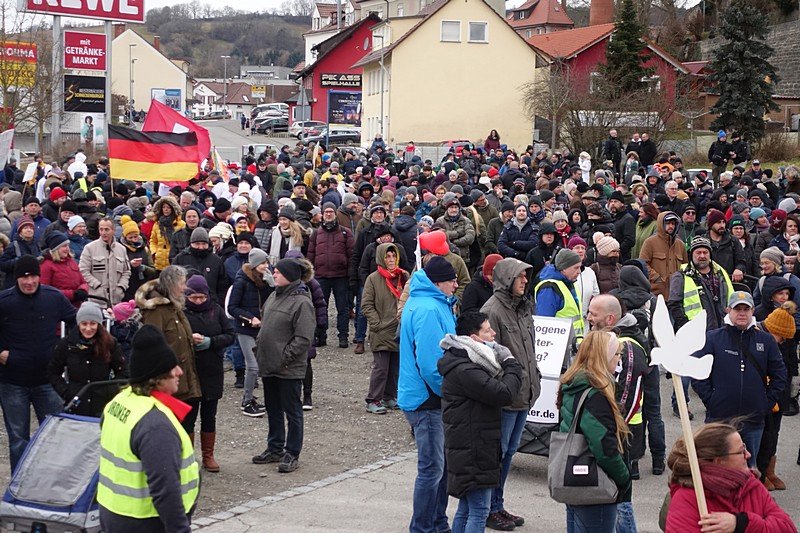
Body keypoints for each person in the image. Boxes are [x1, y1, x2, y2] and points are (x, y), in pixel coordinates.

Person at [97, 325, 200, 532]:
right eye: (173, 368)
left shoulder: (120, 401)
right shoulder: (155, 425)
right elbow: (165, 489)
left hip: (114, 512)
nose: (179, 372)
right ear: (157, 377)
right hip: (146, 521)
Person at [438, 311, 522, 533]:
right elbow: (503, 393)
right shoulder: (466, 369)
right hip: (473, 448)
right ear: (474, 339)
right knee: (479, 510)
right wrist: (511, 364)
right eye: (488, 330)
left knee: (467, 508)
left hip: (474, 445)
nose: (494, 334)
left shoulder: (467, 361)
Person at [0, 255, 77, 470]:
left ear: (39, 276)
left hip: (47, 381)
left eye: (33, 276)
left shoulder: (53, 298)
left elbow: (76, 322)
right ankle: (19, 487)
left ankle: (52, 482)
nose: (29, 282)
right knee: (18, 439)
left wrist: (67, 351)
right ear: (16, 279)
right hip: (12, 382)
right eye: (24, 278)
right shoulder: (4, 302)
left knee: (55, 434)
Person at [692, 292, 787, 466]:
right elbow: (698, 373)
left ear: (752, 311)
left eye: (746, 309)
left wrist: (765, 403)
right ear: (729, 310)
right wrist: (711, 400)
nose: (742, 313)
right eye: (737, 308)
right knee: (716, 469)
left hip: (753, 421)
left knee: (749, 470)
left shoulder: (766, 341)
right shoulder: (713, 338)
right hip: (719, 420)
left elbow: (780, 375)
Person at [399, 256, 458, 533]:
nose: (456, 285)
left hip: (427, 395)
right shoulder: (429, 309)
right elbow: (430, 362)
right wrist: (448, 392)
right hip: (427, 398)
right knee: (432, 469)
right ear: (437, 283)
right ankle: (422, 528)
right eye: (451, 281)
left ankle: (437, 522)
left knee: (440, 467)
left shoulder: (432, 302)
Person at [481, 258, 541, 531]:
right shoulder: (492, 310)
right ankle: (489, 509)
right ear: (506, 278)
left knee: (508, 454)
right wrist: (505, 388)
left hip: (524, 395)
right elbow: (490, 358)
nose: (525, 281)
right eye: (520, 276)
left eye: (527, 276)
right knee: (498, 454)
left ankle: (498, 505)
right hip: (506, 398)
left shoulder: (524, 307)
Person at [557, 330, 631, 532]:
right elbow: (603, 446)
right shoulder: (596, 393)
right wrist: (624, 477)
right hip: (595, 483)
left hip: (573, 476)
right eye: (617, 355)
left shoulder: (573, 383)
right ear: (604, 356)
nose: (619, 360)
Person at [665, 422, 796, 532]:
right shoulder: (687, 499)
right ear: (719, 461)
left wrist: (741, 523)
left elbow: (788, 528)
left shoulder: (750, 484)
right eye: (741, 451)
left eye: (745, 448)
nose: (748, 454)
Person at [253, 258, 315, 474]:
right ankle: (275, 447)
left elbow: (304, 338)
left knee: (293, 411)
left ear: (289, 275)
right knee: (273, 408)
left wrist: (283, 357)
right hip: (269, 364)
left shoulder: (302, 302)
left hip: (288, 368)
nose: (274, 274)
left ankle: (292, 452)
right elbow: (266, 324)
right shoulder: (273, 295)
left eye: (278, 272)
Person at [136, 265, 202, 432]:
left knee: (187, 424)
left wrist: (189, 338)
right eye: (181, 283)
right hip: (168, 381)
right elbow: (153, 345)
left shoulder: (175, 307)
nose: (184, 287)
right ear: (171, 285)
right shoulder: (157, 311)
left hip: (185, 378)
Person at [183, 275, 234, 472]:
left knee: (209, 415)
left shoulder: (216, 310)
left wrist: (211, 342)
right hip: (190, 371)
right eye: (193, 297)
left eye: (201, 298)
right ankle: (187, 457)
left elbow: (230, 335)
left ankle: (208, 455)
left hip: (212, 369)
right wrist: (190, 340)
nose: (197, 301)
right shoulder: (182, 312)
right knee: (188, 416)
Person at [48, 302, 127, 417]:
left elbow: (123, 372)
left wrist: (110, 391)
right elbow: (53, 372)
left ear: (99, 324)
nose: (88, 328)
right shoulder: (67, 344)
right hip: (77, 404)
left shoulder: (110, 343)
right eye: (84, 324)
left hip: (103, 406)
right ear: (78, 323)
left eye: (93, 324)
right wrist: (67, 392)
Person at [361, 243, 409, 414]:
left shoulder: (403, 276)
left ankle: (390, 396)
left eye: (393, 256)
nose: (391, 259)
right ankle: (373, 399)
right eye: (387, 256)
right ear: (381, 257)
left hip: (399, 329)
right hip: (381, 330)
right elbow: (366, 304)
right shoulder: (373, 279)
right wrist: (376, 323)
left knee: (395, 367)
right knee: (381, 367)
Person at [228, 248, 272, 417]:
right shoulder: (242, 281)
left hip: (261, 328)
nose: (265, 266)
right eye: (262, 263)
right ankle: (246, 401)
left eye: (266, 262)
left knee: (259, 365)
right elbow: (232, 307)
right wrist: (249, 318)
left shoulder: (264, 280)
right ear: (254, 265)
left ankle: (250, 398)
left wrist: (271, 286)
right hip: (245, 329)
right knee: (252, 367)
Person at [307, 202, 354, 349]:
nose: (328, 214)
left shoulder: (346, 232)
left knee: (343, 308)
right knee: (321, 307)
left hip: (341, 276)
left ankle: (343, 336)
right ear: (322, 214)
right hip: (321, 276)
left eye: (331, 211)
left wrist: (350, 275)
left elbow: (352, 255)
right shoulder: (316, 233)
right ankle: (320, 335)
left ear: (335, 213)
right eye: (326, 211)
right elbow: (310, 254)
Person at [534, 248, 585, 341]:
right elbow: (544, 325)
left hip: (573, 346)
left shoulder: (569, 284)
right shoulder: (549, 288)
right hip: (559, 347)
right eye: (576, 267)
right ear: (564, 268)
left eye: (580, 267)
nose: (579, 271)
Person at [80, 217, 131, 306]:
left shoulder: (122, 249)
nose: (103, 233)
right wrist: (97, 285)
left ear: (113, 230)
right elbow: (83, 270)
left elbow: (126, 271)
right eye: (101, 229)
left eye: (107, 230)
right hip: (96, 300)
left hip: (116, 300)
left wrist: (122, 287)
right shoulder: (89, 248)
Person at [638, 211, 686, 298]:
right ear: (661, 224)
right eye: (667, 223)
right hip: (656, 292)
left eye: (673, 223)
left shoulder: (680, 244)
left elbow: (685, 266)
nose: (671, 226)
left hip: (677, 293)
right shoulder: (650, 242)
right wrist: (656, 278)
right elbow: (642, 263)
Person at [39, 230, 89, 308]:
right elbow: (45, 291)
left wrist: (83, 290)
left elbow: (83, 281)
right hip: (58, 307)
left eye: (68, 245)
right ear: (56, 248)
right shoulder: (46, 265)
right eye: (64, 246)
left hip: (76, 306)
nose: (67, 249)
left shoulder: (71, 261)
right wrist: (73, 294)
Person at [149, 196, 185, 271]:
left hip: (174, 261)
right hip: (159, 261)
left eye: (168, 207)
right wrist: (155, 252)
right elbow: (153, 241)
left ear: (173, 208)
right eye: (163, 207)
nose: (165, 209)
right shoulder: (157, 224)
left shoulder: (181, 224)